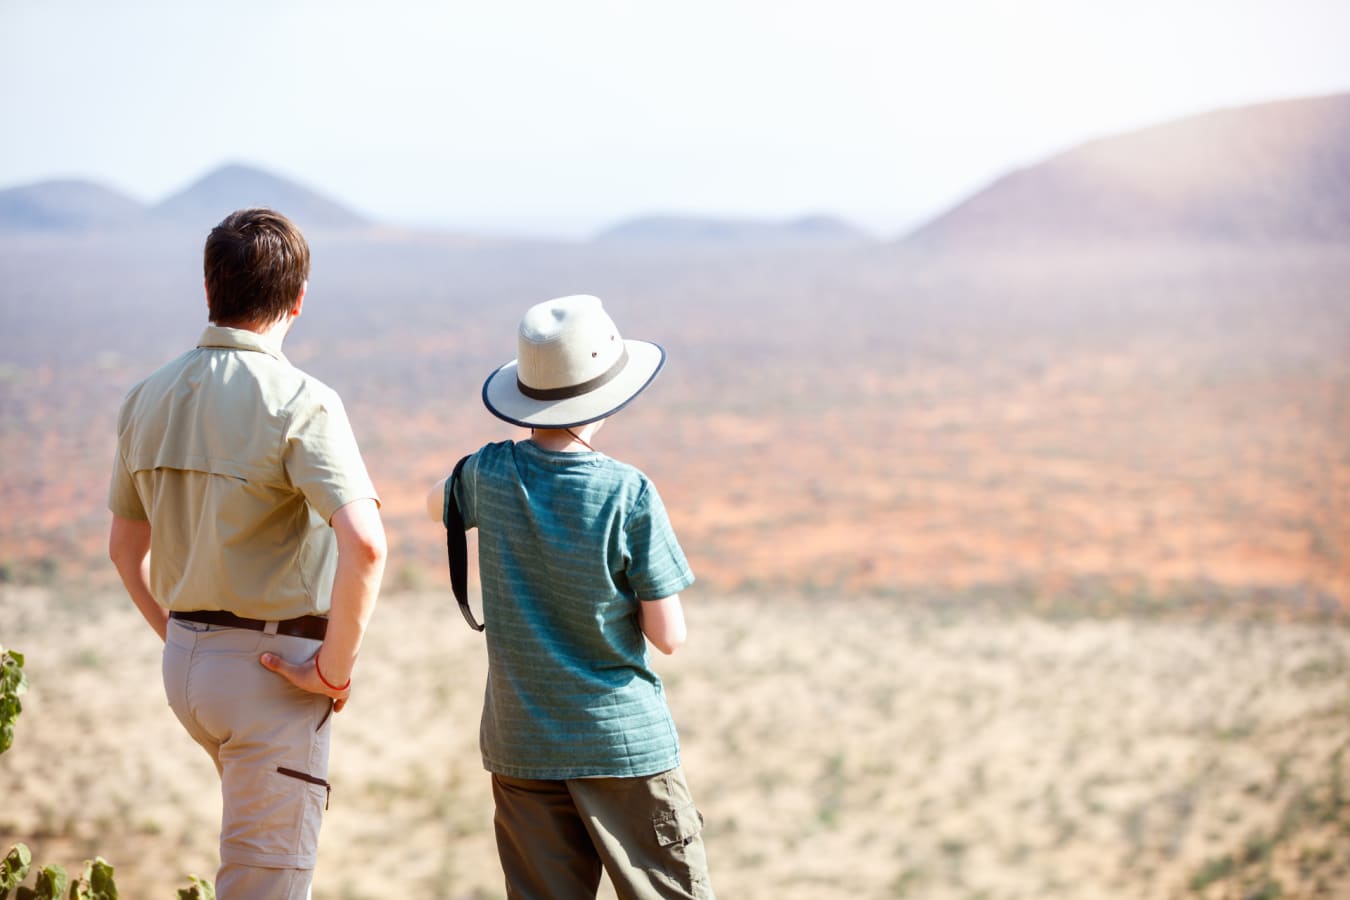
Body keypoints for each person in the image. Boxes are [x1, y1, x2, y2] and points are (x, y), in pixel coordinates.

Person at [108, 207, 386, 899]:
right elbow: (366, 545)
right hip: (272, 675)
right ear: (299, 299)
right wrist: (333, 672)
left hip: (186, 667)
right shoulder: (303, 402)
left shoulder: (145, 396)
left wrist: (180, 637)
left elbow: (123, 551)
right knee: (268, 885)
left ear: (209, 288)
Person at [426, 294, 713, 899]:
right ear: (607, 396)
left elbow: (435, 504)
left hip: (521, 743)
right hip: (621, 744)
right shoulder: (628, 491)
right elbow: (669, 636)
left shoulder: (487, 472)